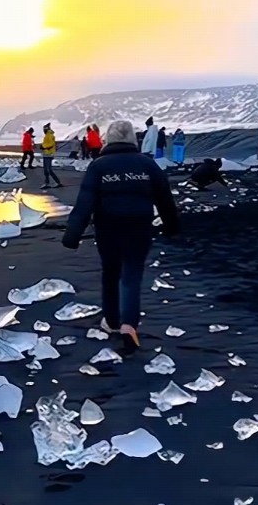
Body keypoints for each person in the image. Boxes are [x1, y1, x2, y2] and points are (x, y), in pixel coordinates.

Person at [62, 120, 179, 348]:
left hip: (108, 228)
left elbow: (85, 202)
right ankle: (129, 325)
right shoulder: (147, 164)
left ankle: (112, 321)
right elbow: (165, 200)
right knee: (131, 275)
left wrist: (72, 234)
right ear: (132, 140)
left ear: (109, 139)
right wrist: (172, 227)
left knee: (111, 273)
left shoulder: (99, 166)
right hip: (139, 226)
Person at [40, 123, 63, 189]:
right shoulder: (47, 135)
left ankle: (58, 182)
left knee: (49, 169)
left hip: (48, 154)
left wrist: (43, 146)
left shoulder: (49, 135)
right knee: (46, 170)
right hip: (46, 154)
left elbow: (50, 144)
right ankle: (47, 183)